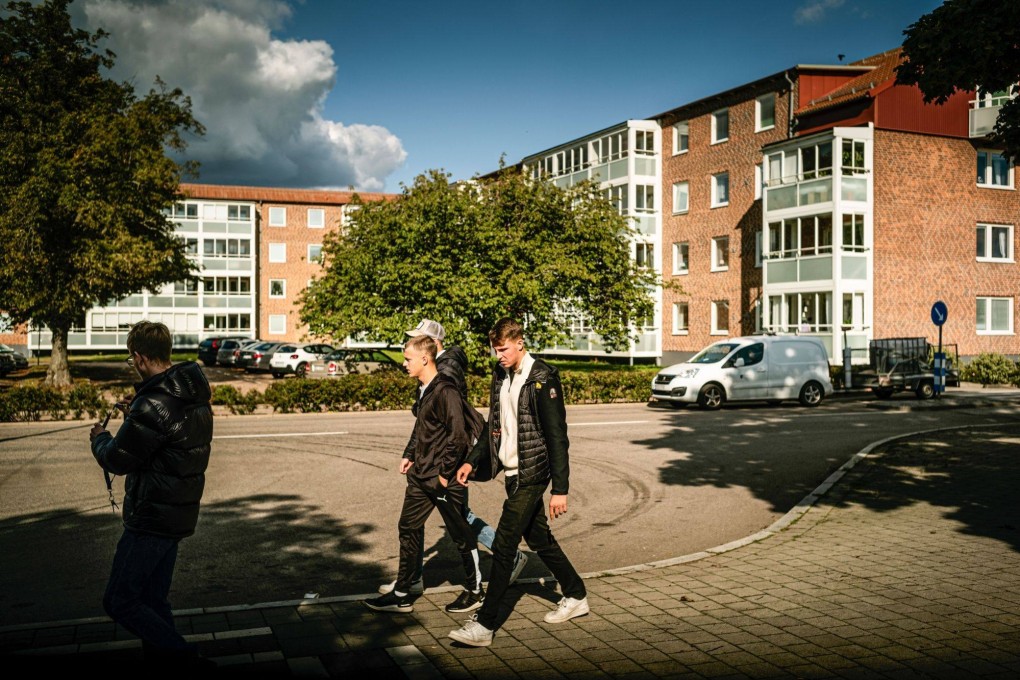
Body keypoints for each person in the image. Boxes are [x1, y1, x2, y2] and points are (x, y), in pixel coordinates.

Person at [448, 318, 589, 647]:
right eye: (495, 350)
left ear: (520, 343)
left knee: (504, 544)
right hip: (512, 474)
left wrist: (560, 490)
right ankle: (576, 594)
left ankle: (484, 625)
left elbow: (557, 437)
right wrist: (472, 460)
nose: (498, 355)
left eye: (503, 349)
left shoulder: (541, 378)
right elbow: (492, 426)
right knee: (539, 539)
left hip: (533, 474)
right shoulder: (501, 376)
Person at [88, 321, 213, 667]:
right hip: (176, 513)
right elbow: (167, 441)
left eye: (131, 360)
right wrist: (136, 416)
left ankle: (186, 659)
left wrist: (99, 436)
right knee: (154, 601)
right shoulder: (191, 392)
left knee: (120, 601)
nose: (133, 365)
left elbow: (117, 458)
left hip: (151, 518)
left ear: (141, 358)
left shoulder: (153, 403)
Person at [377, 319, 527, 597]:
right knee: (419, 522)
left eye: (418, 340)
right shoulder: (436, 368)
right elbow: (425, 417)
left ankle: (502, 560)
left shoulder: (446, 371)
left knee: (460, 519)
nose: (409, 347)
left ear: (431, 347)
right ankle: (410, 579)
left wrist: (446, 470)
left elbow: (452, 424)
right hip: (432, 457)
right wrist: (412, 451)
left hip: (447, 459)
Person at [364, 335, 485, 614]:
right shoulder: (424, 388)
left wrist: (444, 475)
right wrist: (409, 453)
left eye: (407, 359)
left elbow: (459, 438)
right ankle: (403, 592)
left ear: (424, 359)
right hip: (421, 474)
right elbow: (422, 428)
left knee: (460, 535)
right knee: (408, 527)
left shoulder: (446, 391)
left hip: (445, 478)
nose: (404, 364)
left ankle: (475, 591)